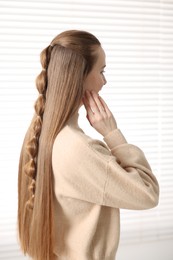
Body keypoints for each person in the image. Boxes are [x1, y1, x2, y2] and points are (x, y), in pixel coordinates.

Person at [18, 30, 159, 260]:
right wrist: (112, 133)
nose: (104, 81)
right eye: (102, 71)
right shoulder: (80, 149)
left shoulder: (39, 134)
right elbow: (147, 193)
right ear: (79, 77)